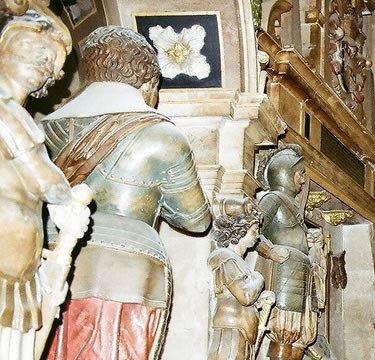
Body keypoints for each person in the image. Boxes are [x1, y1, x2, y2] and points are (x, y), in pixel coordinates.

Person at [41, 25, 211, 360]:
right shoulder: (162, 135)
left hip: (48, 257)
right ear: (148, 81)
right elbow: (196, 220)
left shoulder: (39, 128)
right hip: (128, 268)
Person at [0, 8, 78, 360]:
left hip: (17, 268)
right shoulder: (6, 112)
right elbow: (46, 180)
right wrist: (67, 205)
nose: (44, 59)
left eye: (51, 57)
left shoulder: (18, 114)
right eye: (33, 46)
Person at [255, 145, 317, 359]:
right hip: (284, 276)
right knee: (284, 334)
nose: (302, 180)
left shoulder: (293, 204)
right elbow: (251, 229)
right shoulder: (272, 199)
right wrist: (269, 250)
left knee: (299, 340)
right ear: (285, 173)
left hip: (301, 275)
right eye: (300, 173)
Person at [208, 208, 275, 360]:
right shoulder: (224, 256)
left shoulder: (240, 263)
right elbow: (245, 295)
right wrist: (259, 278)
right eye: (255, 230)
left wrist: (261, 299)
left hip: (243, 331)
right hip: (230, 331)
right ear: (240, 231)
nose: (258, 236)